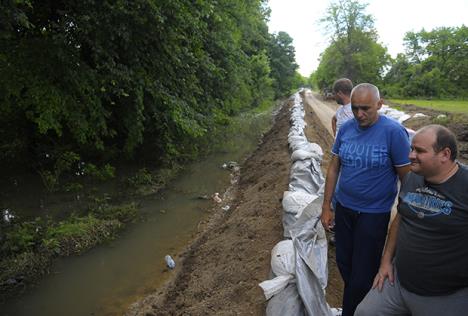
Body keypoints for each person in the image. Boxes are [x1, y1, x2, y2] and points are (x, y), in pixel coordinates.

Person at [355, 125, 468, 316]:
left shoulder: (464, 186)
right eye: (411, 149)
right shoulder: (412, 177)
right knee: (364, 312)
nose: (411, 156)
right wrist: (385, 261)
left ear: (445, 154)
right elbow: (400, 219)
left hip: (444, 296)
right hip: (398, 283)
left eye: (420, 151)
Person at [320, 83, 411, 316]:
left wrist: (404, 214)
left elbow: (407, 178)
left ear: (379, 105)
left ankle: (353, 311)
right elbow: (333, 168)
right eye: (356, 108)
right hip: (344, 209)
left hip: (373, 214)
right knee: (344, 263)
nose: (359, 114)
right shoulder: (347, 128)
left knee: (362, 274)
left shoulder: (393, 133)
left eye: (366, 109)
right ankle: (360, 304)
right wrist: (326, 206)